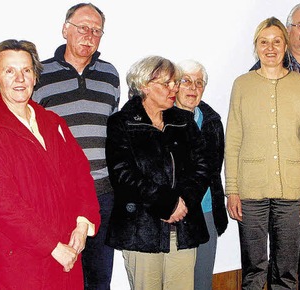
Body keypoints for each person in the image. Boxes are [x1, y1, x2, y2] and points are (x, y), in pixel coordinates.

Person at [0, 39, 101, 289]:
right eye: (10, 71)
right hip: (25, 258)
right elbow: (1, 204)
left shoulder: (53, 121)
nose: (20, 78)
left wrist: (83, 224)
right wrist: (51, 246)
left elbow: (81, 174)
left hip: (68, 251)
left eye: (26, 70)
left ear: (35, 77)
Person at [225, 17, 300, 290]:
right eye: (264, 42)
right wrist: (232, 189)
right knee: (254, 270)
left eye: (277, 41)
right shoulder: (242, 84)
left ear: (285, 46)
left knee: (287, 272)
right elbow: (233, 140)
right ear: (256, 47)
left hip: (292, 192)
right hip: (250, 191)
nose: (270, 48)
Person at [31, 4, 120, 289]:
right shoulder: (39, 75)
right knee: (63, 274)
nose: (89, 35)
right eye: (83, 27)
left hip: (103, 195)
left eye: (96, 30)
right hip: (60, 195)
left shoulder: (110, 75)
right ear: (65, 29)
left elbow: (112, 131)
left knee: (99, 276)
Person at [106, 55, 209, 290]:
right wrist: (167, 203)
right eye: (166, 84)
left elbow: (202, 167)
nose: (174, 89)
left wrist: (183, 204)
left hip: (183, 228)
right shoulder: (121, 123)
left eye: (175, 82)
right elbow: (123, 176)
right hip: (141, 230)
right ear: (144, 86)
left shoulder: (184, 121)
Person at [174, 59, 228, 290]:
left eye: (199, 83)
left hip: (207, 213)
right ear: (174, 85)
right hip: (176, 214)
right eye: (186, 81)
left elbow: (216, 168)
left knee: (202, 282)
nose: (193, 88)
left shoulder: (212, 121)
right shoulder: (161, 119)